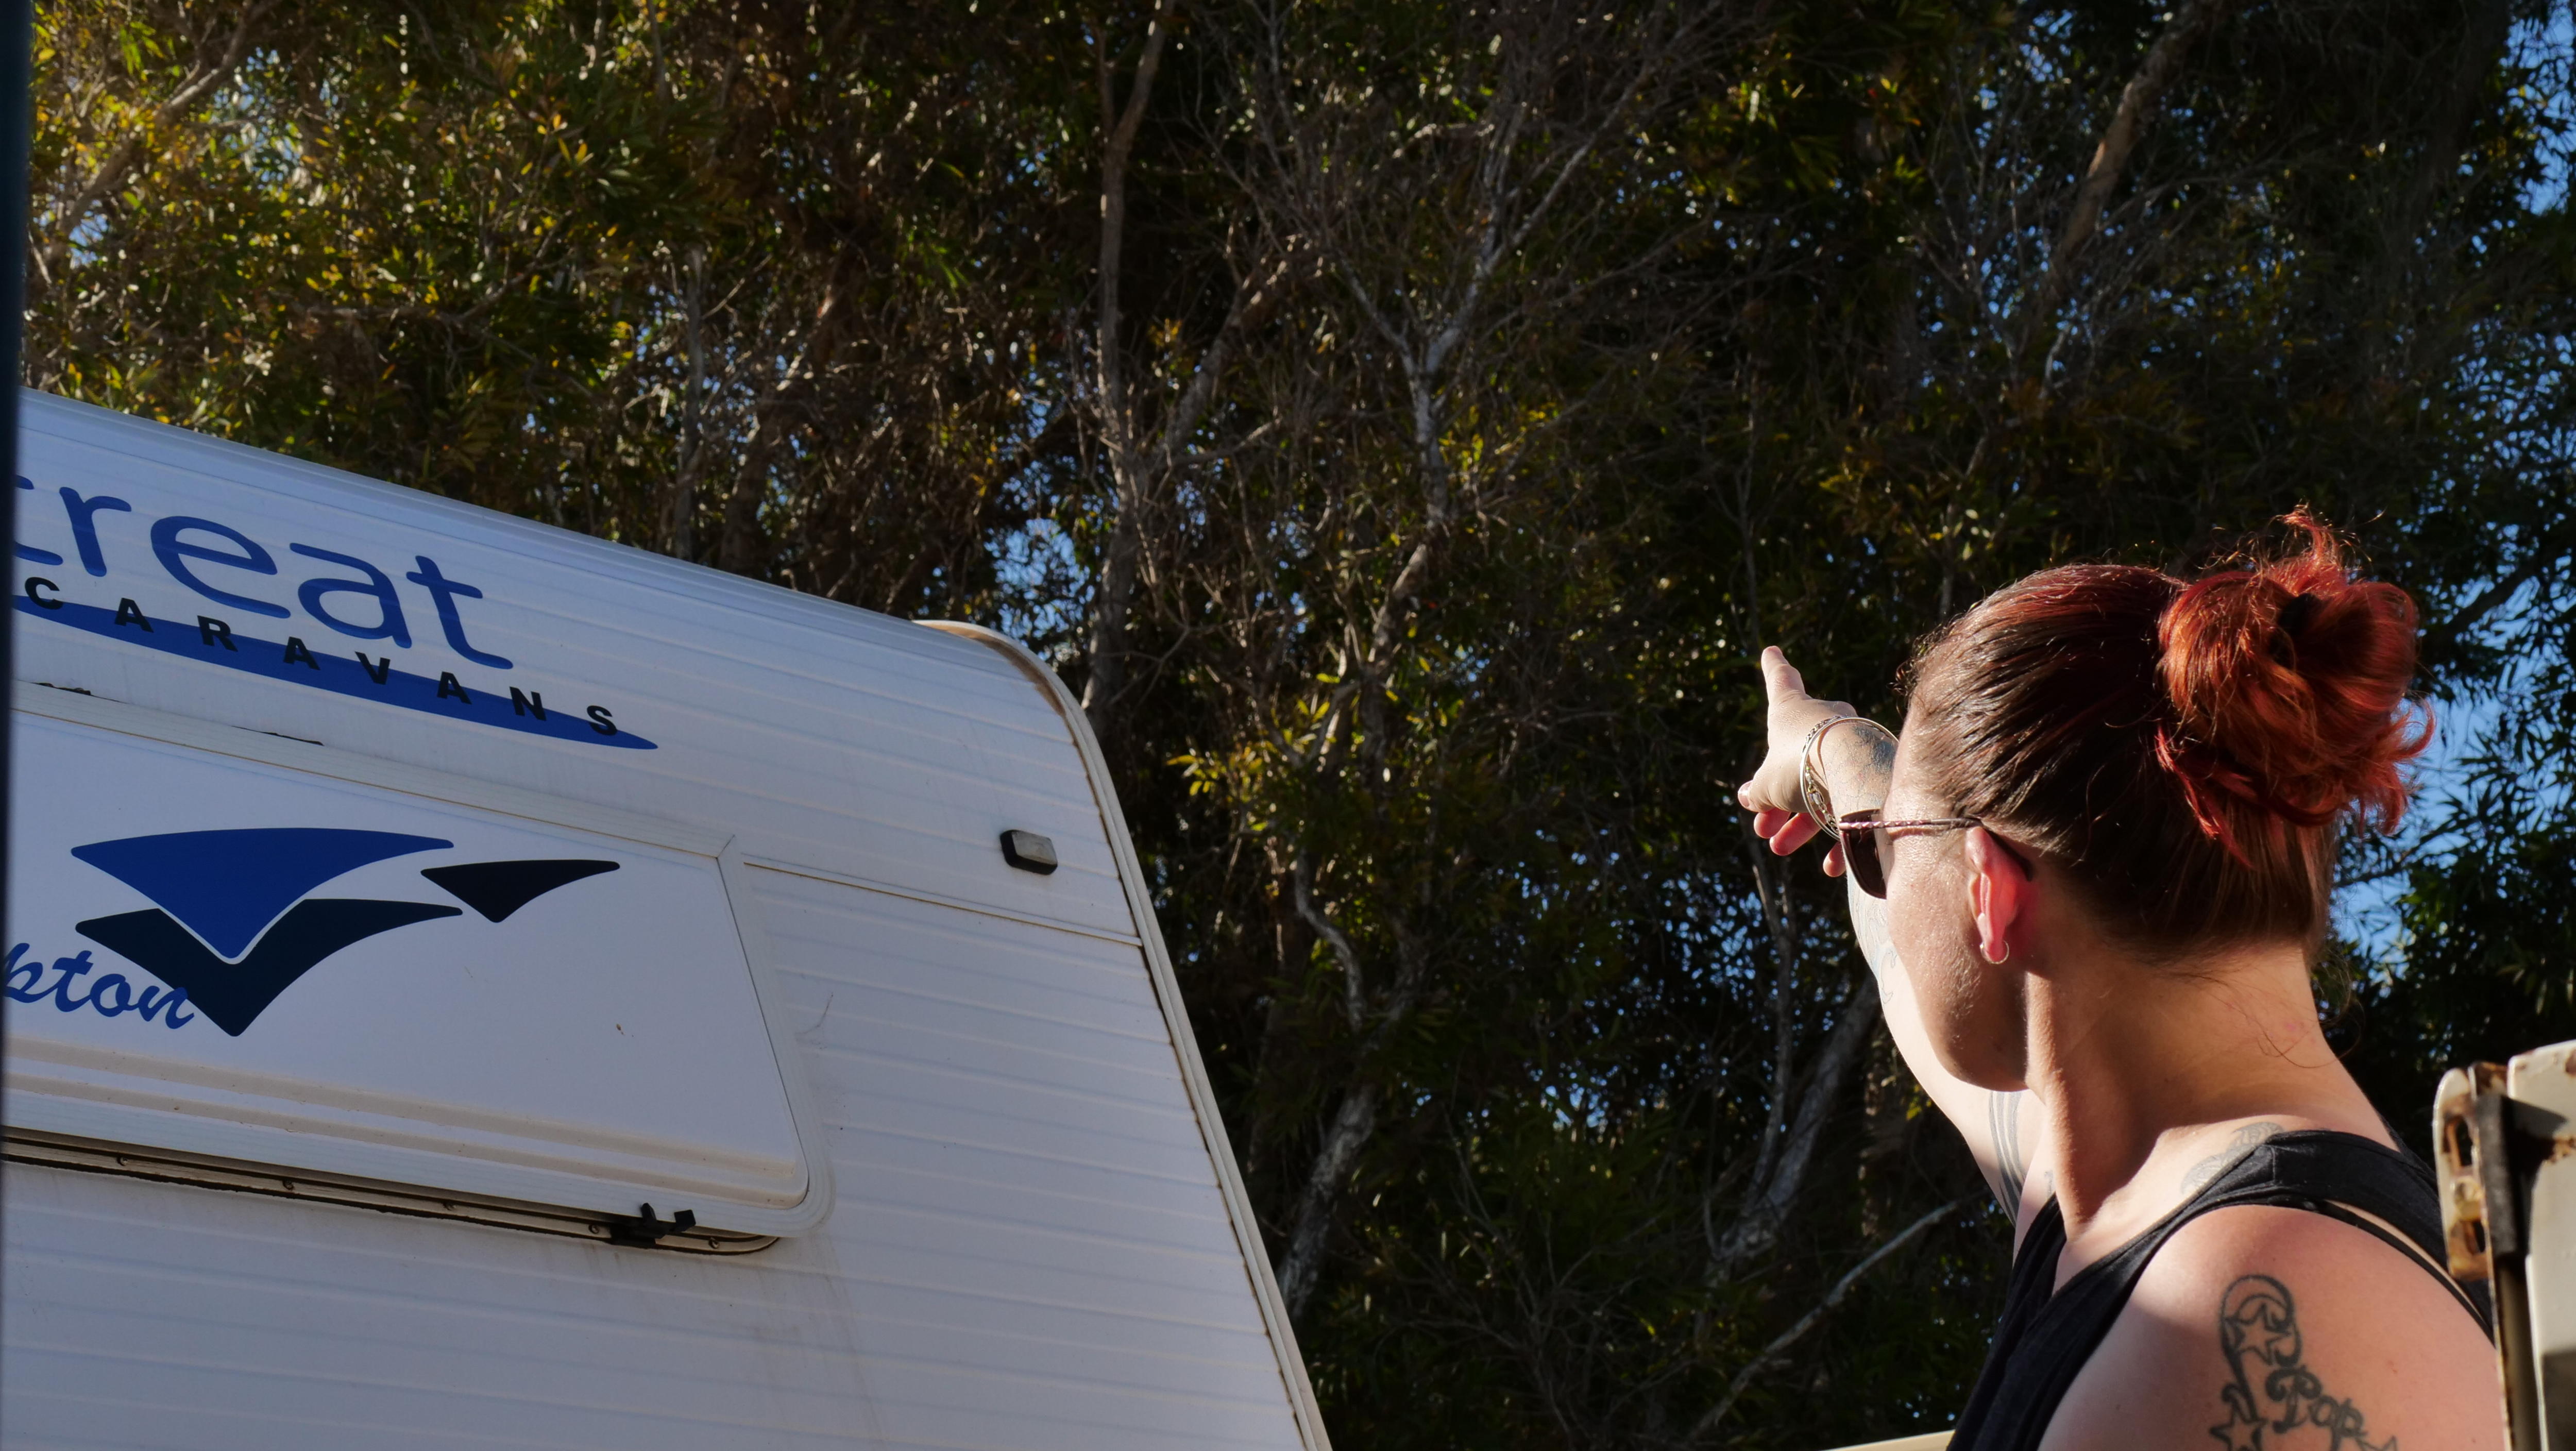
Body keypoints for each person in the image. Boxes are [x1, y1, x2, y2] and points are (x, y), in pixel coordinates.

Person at [1736, 511, 2500, 1451]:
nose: (1884, 885)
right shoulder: (2110, 1189)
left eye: (1886, 851)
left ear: (1992, 893)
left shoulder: (2245, 1313)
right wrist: (1830, 750)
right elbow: (1905, 960)